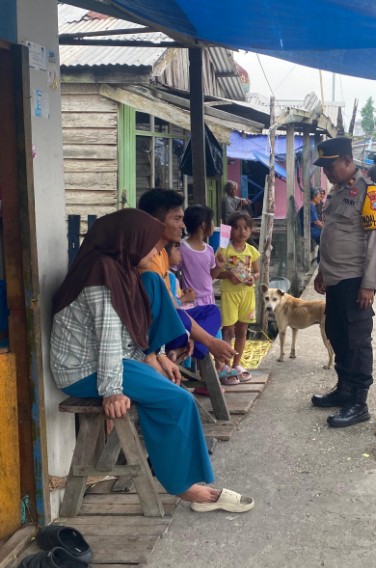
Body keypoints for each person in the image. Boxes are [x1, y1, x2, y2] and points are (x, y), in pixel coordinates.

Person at [50, 209, 254, 512]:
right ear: (129, 241)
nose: (157, 249)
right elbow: (107, 338)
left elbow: (123, 334)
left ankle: (188, 477)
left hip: (108, 361)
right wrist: (112, 390)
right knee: (177, 401)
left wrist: (152, 357)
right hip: (82, 370)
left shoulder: (117, 270)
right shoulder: (100, 276)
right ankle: (186, 488)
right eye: (151, 243)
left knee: (174, 394)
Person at [310, 136, 376, 428]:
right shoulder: (338, 190)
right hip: (335, 278)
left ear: (348, 161)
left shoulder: (369, 192)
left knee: (357, 342)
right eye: (324, 168)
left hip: (355, 281)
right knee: (337, 333)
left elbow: (375, 241)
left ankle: (359, 402)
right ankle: (343, 391)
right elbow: (332, 234)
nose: (326, 172)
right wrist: (321, 271)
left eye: (330, 166)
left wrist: (369, 284)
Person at [137, 189, 234, 367]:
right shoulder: (146, 262)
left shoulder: (162, 255)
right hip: (158, 331)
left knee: (212, 311)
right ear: (155, 222)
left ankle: (185, 347)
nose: (183, 226)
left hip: (176, 317)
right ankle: (186, 345)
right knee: (183, 316)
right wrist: (208, 341)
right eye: (177, 219)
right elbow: (168, 310)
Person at [216, 211, 260, 385]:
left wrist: (253, 278)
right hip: (230, 295)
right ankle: (226, 367)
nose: (242, 231)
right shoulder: (224, 250)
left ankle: (237, 364)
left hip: (247, 294)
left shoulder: (252, 251)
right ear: (230, 230)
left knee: (242, 331)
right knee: (228, 331)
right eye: (237, 227)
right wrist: (228, 276)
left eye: (246, 227)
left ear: (250, 230)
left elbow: (257, 272)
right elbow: (216, 272)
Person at [181, 205, 221, 307]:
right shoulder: (182, 249)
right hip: (191, 300)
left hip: (209, 298)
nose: (213, 224)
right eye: (211, 220)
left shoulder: (209, 250)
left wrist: (218, 267)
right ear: (203, 224)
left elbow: (210, 277)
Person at [166, 242, 196, 308]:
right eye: (177, 249)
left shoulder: (169, 275)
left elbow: (174, 295)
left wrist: (183, 293)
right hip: (182, 313)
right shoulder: (169, 276)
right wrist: (185, 298)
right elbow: (171, 305)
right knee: (213, 310)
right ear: (166, 254)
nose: (180, 253)